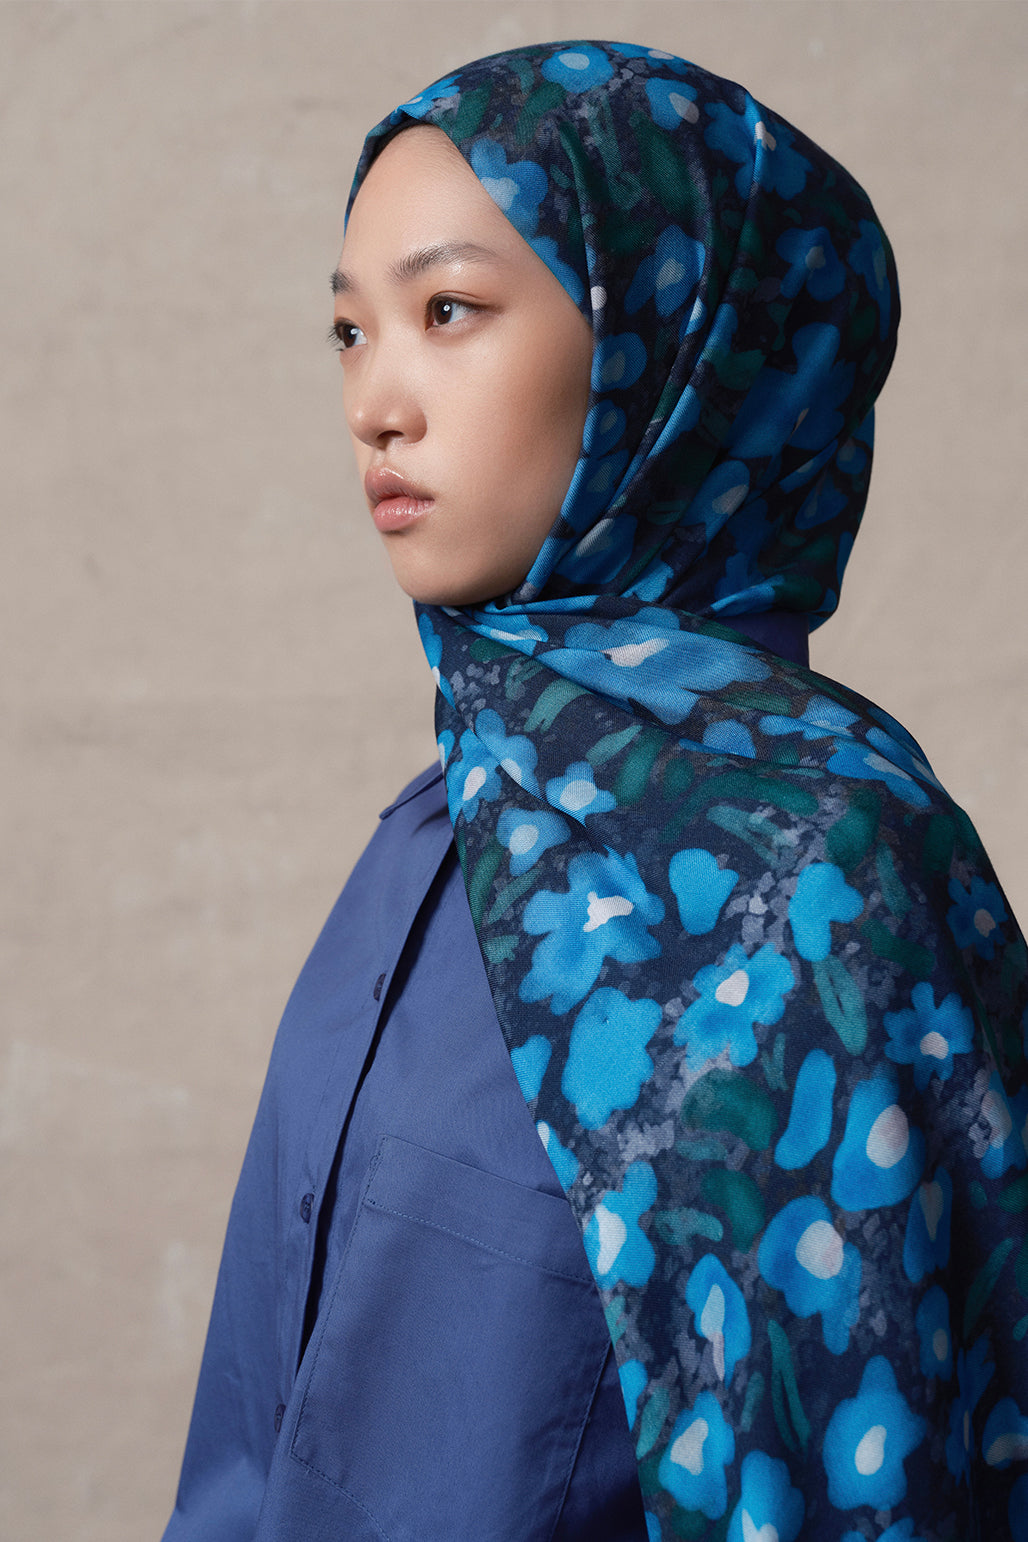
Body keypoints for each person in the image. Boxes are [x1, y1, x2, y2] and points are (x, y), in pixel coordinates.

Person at [162, 41, 1028, 1542]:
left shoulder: (823, 883)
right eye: (351, 331)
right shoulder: (432, 838)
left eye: (448, 310)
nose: (376, 403)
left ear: (671, 348)